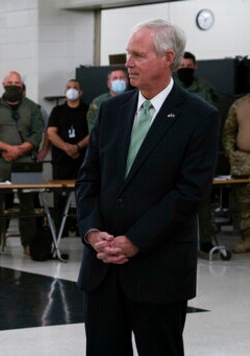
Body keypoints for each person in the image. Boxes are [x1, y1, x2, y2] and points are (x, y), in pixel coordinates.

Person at [75, 19, 219, 355]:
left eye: (138, 55)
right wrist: (93, 233)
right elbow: (88, 178)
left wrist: (134, 241)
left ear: (168, 58)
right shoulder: (111, 110)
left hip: (159, 270)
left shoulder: (199, 116)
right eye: (128, 54)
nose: (128, 63)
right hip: (103, 267)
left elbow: (189, 193)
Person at [0, 71, 44, 256]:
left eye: (17, 83)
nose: (13, 86)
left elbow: (37, 134)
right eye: (10, 82)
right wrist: (8, 149)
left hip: (25, 160)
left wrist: (19, 150)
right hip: (0, 161)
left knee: (28, 203)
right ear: (3, 84)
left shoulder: (32, 108)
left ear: (21, 86)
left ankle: (28, 243)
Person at [176, 51, 219, 253]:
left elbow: (211, 116)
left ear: (195, 66)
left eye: (189, 65)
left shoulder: (205, 88)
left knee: (202, 199)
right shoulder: (170, 87)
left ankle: (206, 239)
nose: (185, 68)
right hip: (174, 151)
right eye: (182, 65)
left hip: (199, 150)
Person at [46, 79, 88, 234]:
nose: (72, 90)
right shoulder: (57, 111)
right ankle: (59, 229)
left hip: (82, 159)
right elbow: (51, 133)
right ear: (65, 92)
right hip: (61, 160)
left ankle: (82, 228)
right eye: (68, 87)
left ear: (81, 92)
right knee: (60, 196)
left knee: (83, 195)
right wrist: (67, 147)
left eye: (75, 88)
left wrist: (77, 147)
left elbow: (93, 133)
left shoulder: (87, 109)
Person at [223, 94, 250, 253]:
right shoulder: (240, 105)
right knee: (245, 203)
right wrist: (231, 154)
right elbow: (228, 132)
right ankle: (248, 238)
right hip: (243, 162)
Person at [86, 67, 128, 133]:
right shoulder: (98, 102)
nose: (119, 81)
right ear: (109, 84)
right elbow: (93, 128)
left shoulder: (134, 99)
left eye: (122, 78)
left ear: (127, 81)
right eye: (115, 78)